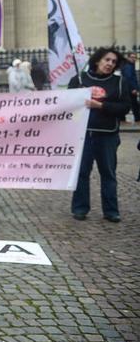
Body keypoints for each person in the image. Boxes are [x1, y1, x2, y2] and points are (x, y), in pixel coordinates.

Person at [69, 47, 131, 223]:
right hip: (83, 135)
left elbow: (125, 108)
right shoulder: (80, 79)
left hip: (107, 135)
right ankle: (80, 208)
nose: (110, 64)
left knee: (108, 174)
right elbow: (67, 104)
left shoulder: (119, 82)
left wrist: (101, 106)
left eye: (113, 62)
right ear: (97, 61)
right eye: (107, 60)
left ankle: (111, 211)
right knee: (81, 173)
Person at [121, 52, 139, 123]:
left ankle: (122, 118)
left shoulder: (129, 65)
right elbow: (129, 78)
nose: (133, 59)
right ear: (128, 57)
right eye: (132, 57)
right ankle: (137, 118)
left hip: (128, 89)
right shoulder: (128, 66)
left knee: (129, 104)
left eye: (135, 57)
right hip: (129, 89)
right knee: (134, 105)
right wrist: (133, 89)